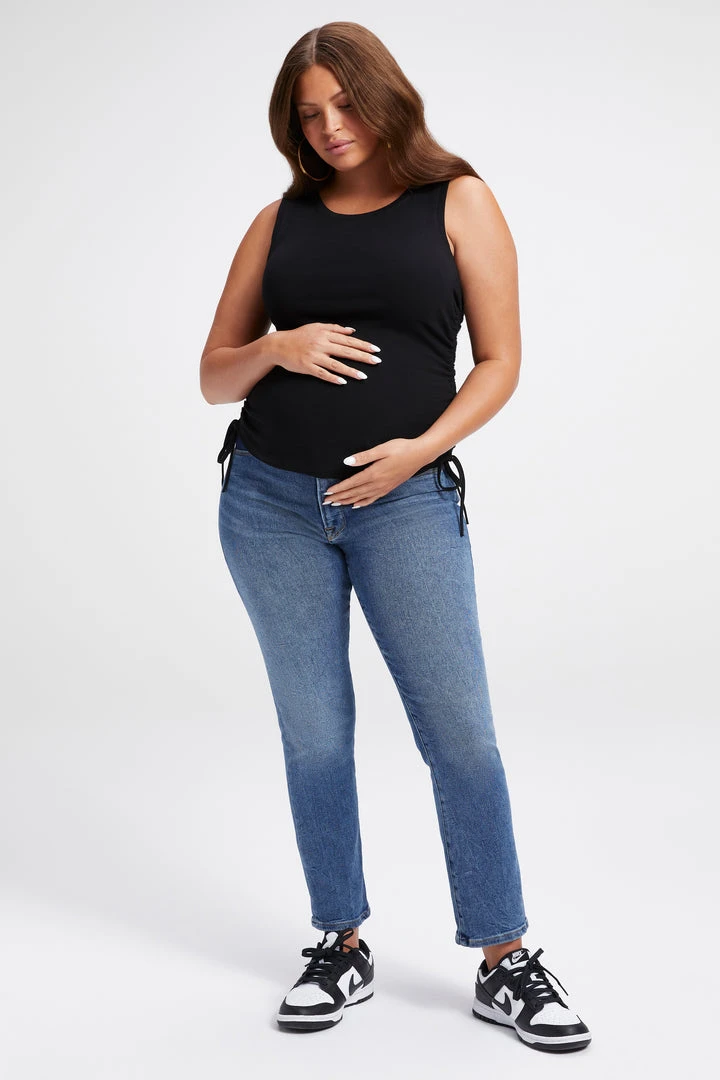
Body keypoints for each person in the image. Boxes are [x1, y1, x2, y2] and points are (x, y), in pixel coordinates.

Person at [200, 21, 591, 1053]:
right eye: (308, 113)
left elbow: (499, 362)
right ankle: (341, 942)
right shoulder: (277, 223)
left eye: (344, 103)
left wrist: (419, 452)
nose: (329, 126)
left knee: (460, 734)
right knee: (315, 734)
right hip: (271, 506)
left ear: (385, 96)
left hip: (404, 503)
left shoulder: (457, 201)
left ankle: (504, 959)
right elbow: (213, 377)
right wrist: (279, 345)